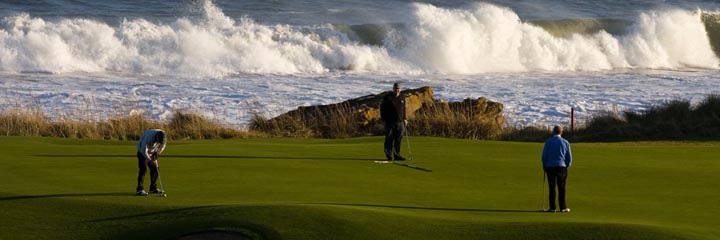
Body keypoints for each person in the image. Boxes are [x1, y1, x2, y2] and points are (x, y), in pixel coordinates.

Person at [541, 126, 572, 212]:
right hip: (562, 167)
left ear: (553, 132)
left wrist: (544, 165)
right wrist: (567, 165)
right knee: (561, 187)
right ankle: (563, 207)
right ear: (561, 132)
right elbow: (569, 158)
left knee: (552, 187)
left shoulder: (548, 142)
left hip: (550, 167)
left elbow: (544, 156)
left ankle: (552, 207)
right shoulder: (565, 142)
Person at [380, 82, 408, 161]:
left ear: (400, 89)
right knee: (389, 138)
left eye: (398, 89)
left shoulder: (402, 97)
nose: (397, 91)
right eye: (396, 89)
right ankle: (389, 155)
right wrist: (384, 119)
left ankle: (397, 155)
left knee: (398, 138)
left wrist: (405, 118)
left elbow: (404, 108)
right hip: (390, 122)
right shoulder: (388, 97)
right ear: (393, 89)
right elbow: (382, 109)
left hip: (400, 122)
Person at [135, 129, 167, 196]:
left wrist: (157, 154)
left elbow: (162, 146)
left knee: (155, 169)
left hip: (152, 151)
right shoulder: (148, 138)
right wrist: (151, 160)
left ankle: (153, 188)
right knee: (143, 169)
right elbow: (144, 151)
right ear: (157, 138)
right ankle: (140, 189)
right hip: (142, 151)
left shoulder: (163, 137)